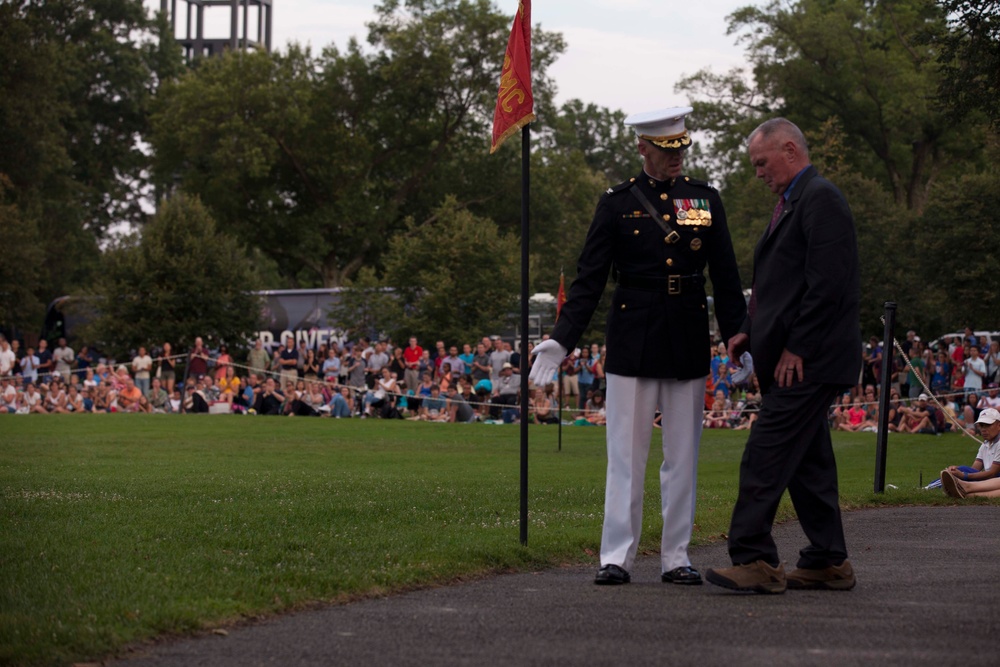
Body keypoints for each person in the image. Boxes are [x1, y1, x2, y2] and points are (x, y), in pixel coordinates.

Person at [529, 106, 745, 587]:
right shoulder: (616, 203)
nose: (677, 157)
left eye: (682, 147)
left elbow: (726, 276)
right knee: (626, 454)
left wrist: (738, 334)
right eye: (667, 149)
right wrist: (562, 340)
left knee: (682, 455)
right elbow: (589, 280)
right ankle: (617, 555)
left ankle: (676, 556)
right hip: (633, 333)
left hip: (687, 331)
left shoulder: (704, 200)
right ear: (643, 147)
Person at [705, 118, 861, 594]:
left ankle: (754, 558)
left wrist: (798, 346)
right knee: (808, 464)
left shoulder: (821, 200)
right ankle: (828, 560)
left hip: (807, 362)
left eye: (761, 162)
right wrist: (748, 331)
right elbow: (780, 288)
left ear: (790, 150)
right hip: (792, 360)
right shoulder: (793, 204)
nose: (757, 173)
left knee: (765, 456)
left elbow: (828, 285)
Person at [935, 408, 1000, 492]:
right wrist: (957, 470)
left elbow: (992, 473)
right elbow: (974, 469)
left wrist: (963, 474)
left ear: (999, 425)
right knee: (961, 470)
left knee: (963, 470)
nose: (983, 429)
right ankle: (933, 487)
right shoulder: (985, 444)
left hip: (995, 480)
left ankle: (929, 488)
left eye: (988, 425)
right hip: (991, 480)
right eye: (981, 425)